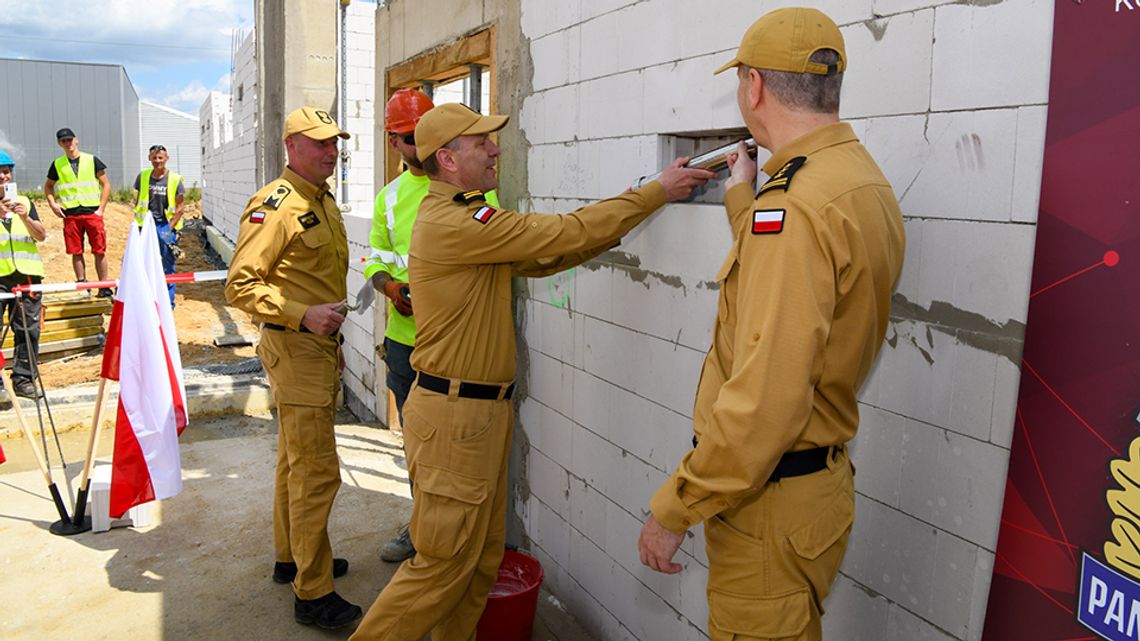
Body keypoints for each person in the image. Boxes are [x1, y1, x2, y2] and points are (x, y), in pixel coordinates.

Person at [349, 103, 713, 641]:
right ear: (447, 159)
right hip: (455, 419)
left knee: (477, 565)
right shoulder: (457, 221)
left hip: (475, 415)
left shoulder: (467, 216)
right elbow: (562, 232)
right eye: (482, 144)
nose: (496, 150)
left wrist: (620, 222)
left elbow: (545, 257)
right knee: (440, 570)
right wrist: (654, 192)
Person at [637, 8, 906, 641]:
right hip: (814, 493)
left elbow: (766, 402)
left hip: (768, 510)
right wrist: (743, 194)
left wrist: (675, 506)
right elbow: (791, 280)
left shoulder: (795, 208)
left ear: (754, 86)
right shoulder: (858, 181)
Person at [225, 107, 361, 630]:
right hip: (295, 346)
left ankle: (295, 558)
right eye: (320, 143)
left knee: (293, 462)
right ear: (292, 147)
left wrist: (329, 333)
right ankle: (314, 591)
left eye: (334, 143)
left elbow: (315, 280)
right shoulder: (276, 205)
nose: (332, 151)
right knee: (316, 473)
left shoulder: (319, 200)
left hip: (316, 348)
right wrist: (304, 315)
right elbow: (240, 285)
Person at [363, 89, 502, 564]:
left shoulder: (472, 188)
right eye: (407, 138)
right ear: (393, 143)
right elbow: (376, 261)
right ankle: (419, 523)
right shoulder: (389, 199)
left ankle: (453, 543)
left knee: (459, 462)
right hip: (406, 345)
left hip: (461, 353)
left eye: (423, 134)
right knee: (419, 448)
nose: (415, 146)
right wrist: (389, 288)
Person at [0, 151, 47, 399]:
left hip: (27, 276)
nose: (2, 176)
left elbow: (41, 235)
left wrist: (25, 217)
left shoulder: (26, 203)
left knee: (28, 330)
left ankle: (24, 379)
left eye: (6, 171)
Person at [43, 128, 112, 297]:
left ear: (76, 140)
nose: (68, 143)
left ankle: (104, 286)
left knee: (99, 250)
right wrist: (53, 204)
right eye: (63, 141)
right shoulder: (58, 164)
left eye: (69, 139)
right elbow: (49, 186)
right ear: (60, 143)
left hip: (92, 211)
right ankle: (82, 284)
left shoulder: (91, 160)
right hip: (71, 214)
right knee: (76, 251)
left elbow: (106, 185)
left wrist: (101, 209)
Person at [133, 145, 186, 307]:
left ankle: (168, 303)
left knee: (167, 263)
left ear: (166, 159)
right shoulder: (143, 177)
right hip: (144, 225)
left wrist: (170, 228)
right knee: (140, 261)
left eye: (160, 158)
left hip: (165, 227)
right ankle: (144, 299)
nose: (157, 161)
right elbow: (137, 200)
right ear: (149, 158)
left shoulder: (175, 179)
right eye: (154, 158)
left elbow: (180, 207)